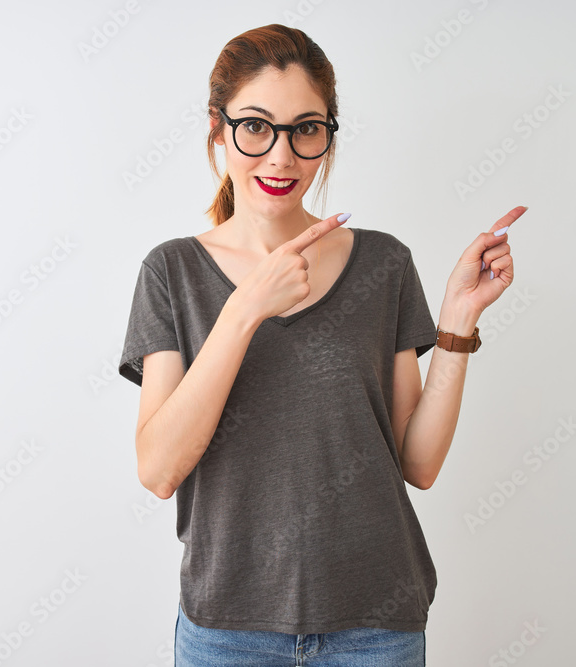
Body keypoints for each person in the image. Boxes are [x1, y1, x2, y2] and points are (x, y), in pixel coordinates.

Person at [119, 23, 524, 667]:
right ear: (218, 131)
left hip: (376, 629)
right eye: (255, 126)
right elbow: (159, 469)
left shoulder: (385, 263)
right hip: (228, 630)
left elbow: (417, 463)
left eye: (305, 129)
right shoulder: (171, 272)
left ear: (327, 140)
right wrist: (246, 306)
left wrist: (457, 322)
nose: (280, 156)